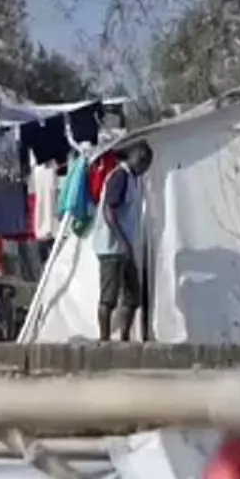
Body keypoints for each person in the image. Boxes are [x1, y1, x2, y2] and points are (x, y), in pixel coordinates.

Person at [90, 141, 152, 342]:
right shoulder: (120, 176)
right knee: (108, 297)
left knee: (133, 295)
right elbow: (109, 211)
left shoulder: (133, 179)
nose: (145, 167)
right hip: (111, 246)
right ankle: (104, 338)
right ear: (135, 158)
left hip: (124, 247)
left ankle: (124, 337)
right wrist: (122, 239)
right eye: (144, 162)